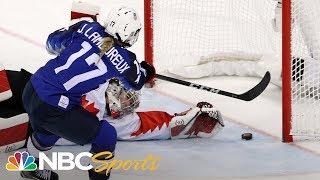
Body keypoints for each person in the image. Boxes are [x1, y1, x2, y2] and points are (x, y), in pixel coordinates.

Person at [20, 6, 155, 180]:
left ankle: (30, 168)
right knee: (106, 134)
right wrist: (147, 71)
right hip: (53, 105)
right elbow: (136, 83)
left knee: (49, 130)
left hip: (32, 88)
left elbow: (52, 42)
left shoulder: (86, 25)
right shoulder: (127, 60)